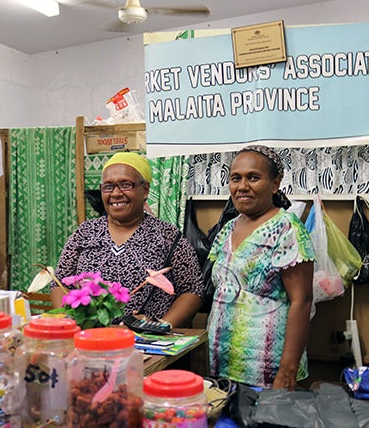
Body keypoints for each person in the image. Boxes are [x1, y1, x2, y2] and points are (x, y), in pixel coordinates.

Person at [50, 152, 204, 328]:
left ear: (145, 190)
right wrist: (73, 321)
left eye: (125, 185)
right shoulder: (85, 233)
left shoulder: (167, 236)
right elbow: (59, 283)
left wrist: (160, 325)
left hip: (147, 342)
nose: (115, 193)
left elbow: (193, 290)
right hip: (91, 338)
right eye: (108, 187)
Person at [207, 145, 316, 390]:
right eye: (236, 178)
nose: (242, 186)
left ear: (275, 184)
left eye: (253, 178)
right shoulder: (228, 228)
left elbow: (303, 300)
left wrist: (287, 372)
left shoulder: (287, 228)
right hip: (222, 363)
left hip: (267, 369)